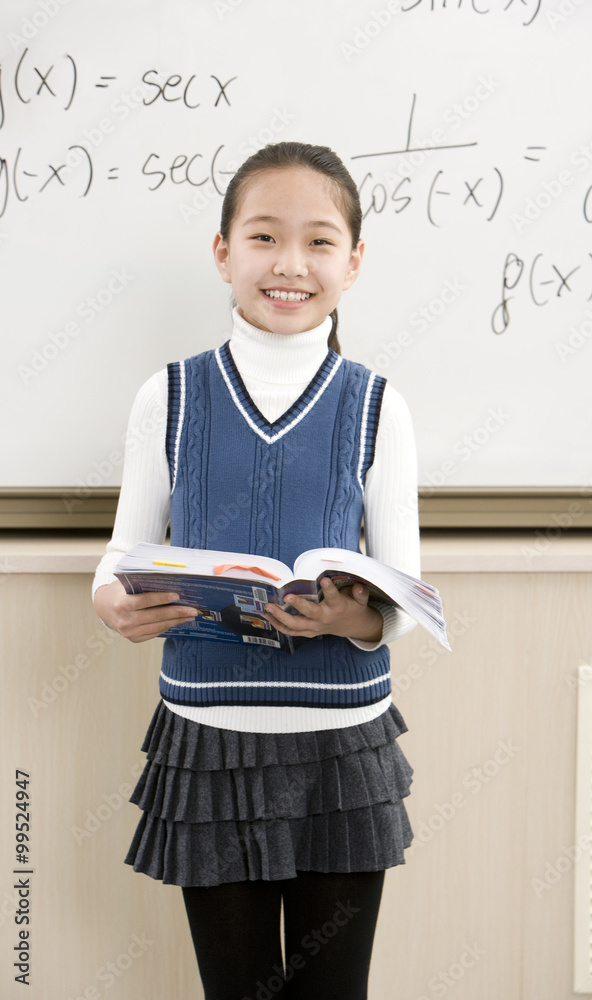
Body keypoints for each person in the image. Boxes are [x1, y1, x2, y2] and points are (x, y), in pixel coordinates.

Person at [92, 141, 421, 1000]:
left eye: (318, 242)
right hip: (209, 737)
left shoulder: (378, 404)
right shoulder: (166, 395)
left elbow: (404, 590)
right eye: (264, 236)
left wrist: (345, 618)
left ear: (352, 263)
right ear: (223, 252)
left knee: (330, 993)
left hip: (340, 746)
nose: (289, 263)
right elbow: (119, 554)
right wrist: (110, 604)